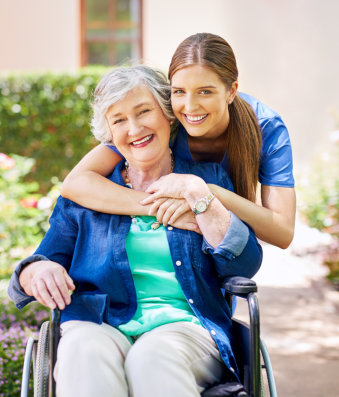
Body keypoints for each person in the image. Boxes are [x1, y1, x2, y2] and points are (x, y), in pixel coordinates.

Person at [8, 66, 262, 397]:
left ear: (168, 116)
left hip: (185, 327)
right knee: (81, 351)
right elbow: (39, 261)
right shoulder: (87, 196)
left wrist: (203, 201)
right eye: (119, 120)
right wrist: (36, 270)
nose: (134, 128)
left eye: (143, 112)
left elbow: (244, 264)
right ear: (109, 134)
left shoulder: (205, 178)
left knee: (152, 358)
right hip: (98, 324)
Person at [61, 33, 296, 249]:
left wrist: (205, 193)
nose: (190, 106)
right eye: (179, 91)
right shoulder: (166, 117)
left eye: (205, 91)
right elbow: (75, 183)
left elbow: (283, 232)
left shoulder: (266, 127)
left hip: (226, 244)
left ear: (231, 91)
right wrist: (155, 206)